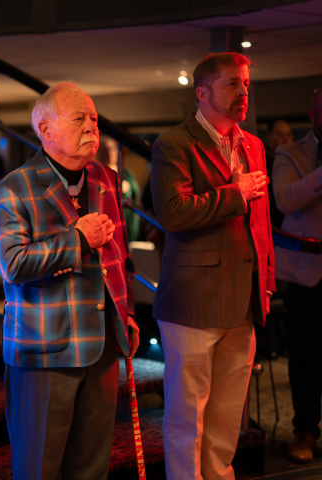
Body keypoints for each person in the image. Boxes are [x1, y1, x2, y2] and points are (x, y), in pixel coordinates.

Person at [0, 81, 139, 480]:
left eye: (94, 118)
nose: (92, 126)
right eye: (79, 119)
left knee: (92, 470)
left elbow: (120, 256)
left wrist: (126, 313)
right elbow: (12, 264)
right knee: (39, 469)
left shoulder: (106, 178)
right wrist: (78, 240)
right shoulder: (14, 187)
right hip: (45, 349)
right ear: (46, 130)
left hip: (103, 344)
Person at [150, 52, 275, 479]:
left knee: (226, 416)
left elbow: (261, 223)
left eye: (245, 84)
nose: (242, 92)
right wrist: (234, 193)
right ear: (202, 93)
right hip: (193, 300)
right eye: (231, 84)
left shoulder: (253, 145)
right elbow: (172, 213)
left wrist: (266, 281)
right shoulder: (173, 144)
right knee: (187, 417)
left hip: (244, 299)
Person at [272, 86, 322, 463]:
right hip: (309, 274)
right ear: (312, 115)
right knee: (306, 355)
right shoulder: (290, 153)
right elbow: (286, 199)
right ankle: (305, 430)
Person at [94, 136, 141, 241]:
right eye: (104, 150)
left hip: (128, 224)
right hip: (108, 225)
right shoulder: (95, 175)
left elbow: (136, 199)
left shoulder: (127, 175)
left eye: (111, 149)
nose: (109, 153)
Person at [266, 119, 294, 228]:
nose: (286, 140)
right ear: (269, 139)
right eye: (279, 135)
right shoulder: (262, 163)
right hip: (274, 225)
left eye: (288, 134)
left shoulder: (297, 162)